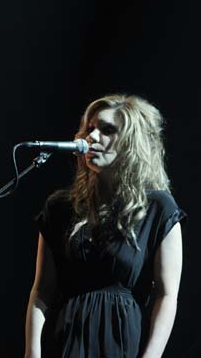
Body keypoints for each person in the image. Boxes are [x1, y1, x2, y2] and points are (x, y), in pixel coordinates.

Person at [24, 95, 186, 358]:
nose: (92, 137)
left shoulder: (159, 208)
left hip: (118, 343)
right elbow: (41, 291)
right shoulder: (60, 207)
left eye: (107, 130)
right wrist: (32, 353)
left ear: (131, 142)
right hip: (63, 340)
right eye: (89, 129)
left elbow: (167, 297)